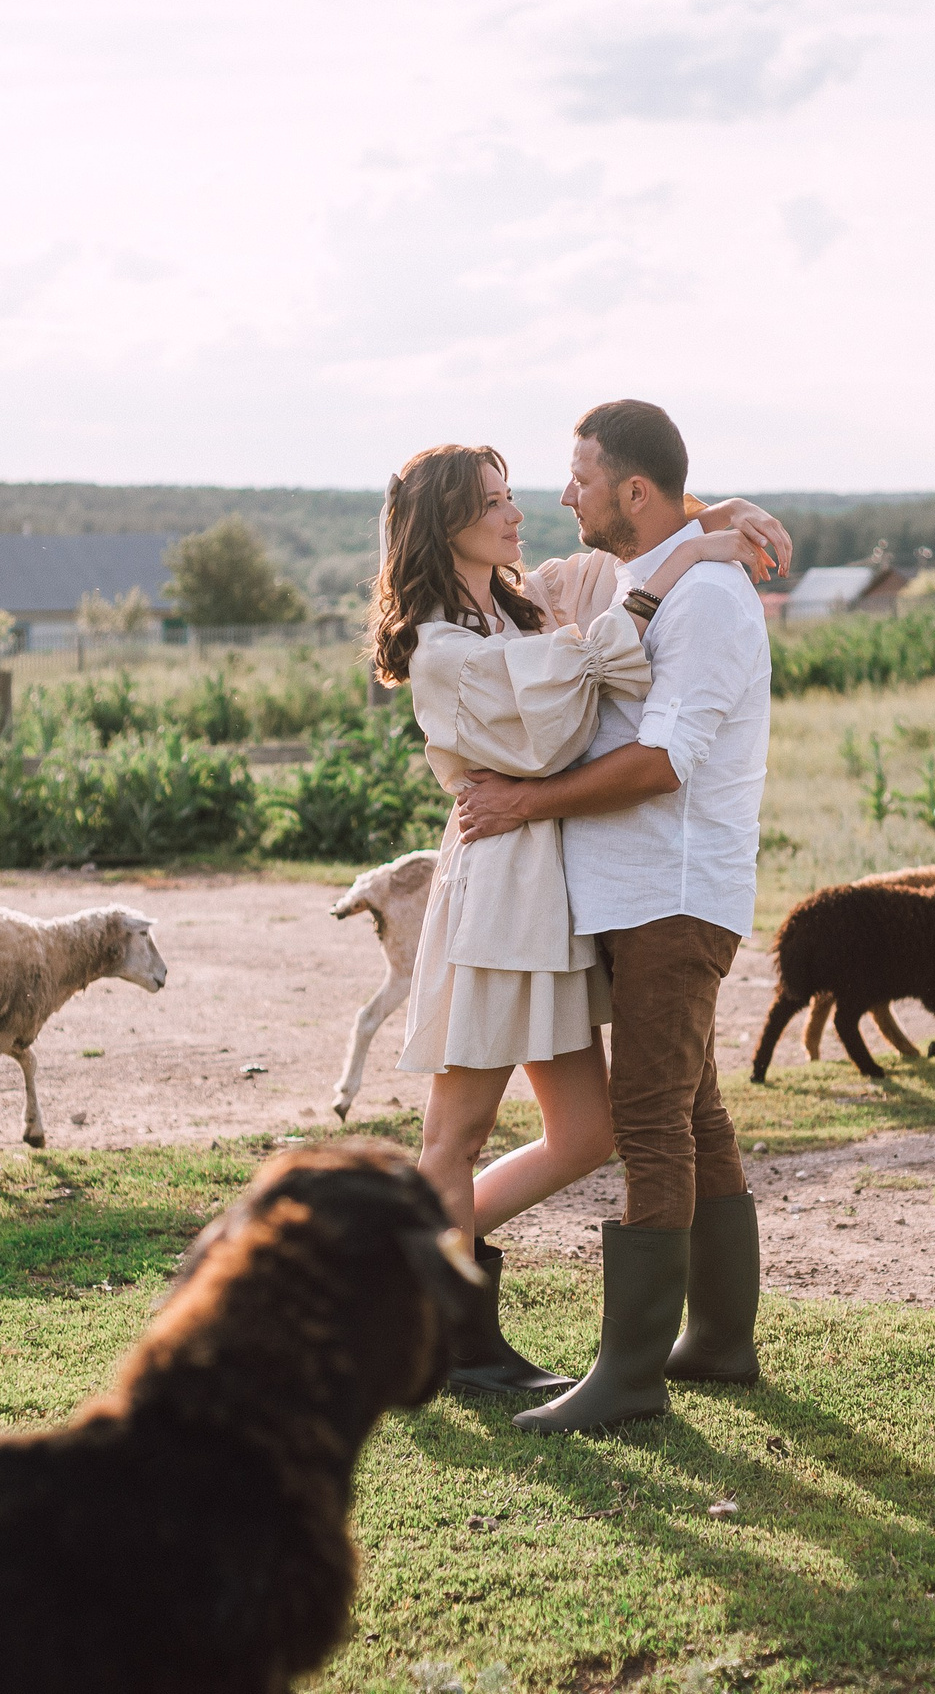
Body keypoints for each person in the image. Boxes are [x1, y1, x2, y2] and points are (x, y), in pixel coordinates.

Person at [366, 441, 785, 1395]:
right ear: (445, 524)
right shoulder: (440, 649)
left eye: (510, 495)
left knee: (589, 1131)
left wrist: (714, 513)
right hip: (497, 880)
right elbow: (553, 725)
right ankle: (454, 1335)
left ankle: (417, 1261)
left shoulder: (530, 598)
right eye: (493, 503)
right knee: (456, 1131)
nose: (517, 514)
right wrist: (689, 555)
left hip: (550, 884)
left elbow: (629, 549)